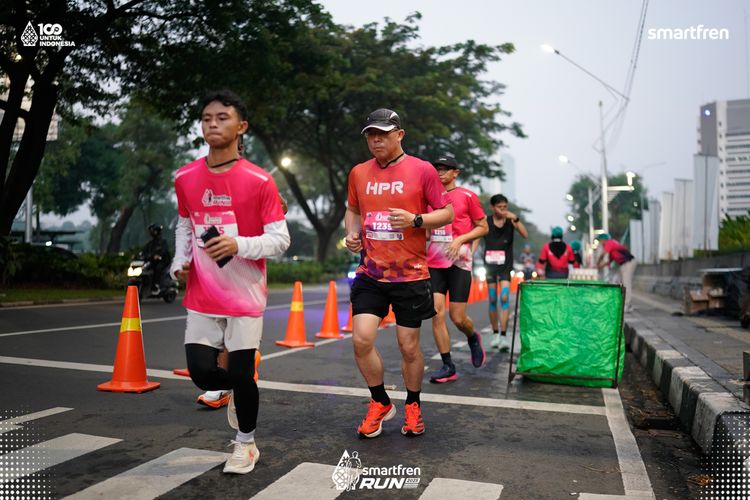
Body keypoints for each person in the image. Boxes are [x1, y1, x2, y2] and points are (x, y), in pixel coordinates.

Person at [170, 90, 290, 474]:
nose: (213, 124)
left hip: (244, 295)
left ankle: (245, 444)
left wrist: (239, 244)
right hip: (202, 293)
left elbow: (280, 240)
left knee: (241, 372)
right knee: (201, 374)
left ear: (242, 127)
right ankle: (237, 385)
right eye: (207, 118)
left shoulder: (259, 180)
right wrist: (180, 261)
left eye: (222, 117)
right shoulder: (185, 177)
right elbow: (185, 224)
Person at [345, 108, 453, 438]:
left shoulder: (422, 170)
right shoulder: (358, 172)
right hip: (371, 273)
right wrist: (351, 233)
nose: (375, 140)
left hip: (411, 275)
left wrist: (415, 220)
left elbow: (447, 212)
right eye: (370, 135)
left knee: (408, 347)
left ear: (399, 134)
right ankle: (380, 402)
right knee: (361, 339)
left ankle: (413, 404)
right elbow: (352, 209)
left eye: (382, 134)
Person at [426, 154, 489, 383]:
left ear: (456, 173)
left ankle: (472, 337)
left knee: (458, 317)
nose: (440, 172)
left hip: (460, 263)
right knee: (436, 313)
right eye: (437, 169)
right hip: (434, 262)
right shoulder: (429, 198)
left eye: (445, 169)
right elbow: (426, 230)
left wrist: (460, 240)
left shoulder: (467, 196)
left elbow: (483, 227)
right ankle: (448, 366)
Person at [482, 194, 527, 351]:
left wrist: (515, 218)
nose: (503, 210)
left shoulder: (511, 221)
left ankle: (503, 336)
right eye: (500, 207)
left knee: (505, 297)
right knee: (492, 299)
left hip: (505, 266)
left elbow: (525, 234)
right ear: (492, 208)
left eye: (505, 207)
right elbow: (476, 236)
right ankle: (495, 334)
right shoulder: (486, 221)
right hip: (490, 266)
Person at [595, 233, 637, 312]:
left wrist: (597, 263)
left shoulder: (610, 242)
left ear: (603, 240)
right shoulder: (612, 248)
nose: (600, 243)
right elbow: (608, 262)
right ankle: (624, 303)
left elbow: (603, 254)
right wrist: (597, 267)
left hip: (628, 263)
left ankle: (627, 305)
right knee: (618, 282)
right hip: (623, 264)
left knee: (626, 283)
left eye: (600, 241)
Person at [142, 223, 172, 290]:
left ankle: (157, 285)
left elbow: (164, 251)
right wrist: (138, 255)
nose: (152, 232)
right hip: (152, 262)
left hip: (163, 262)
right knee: (145, 268)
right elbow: (144, 251)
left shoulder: (163, 242)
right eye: (151, 231)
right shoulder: (150, 243)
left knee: (158, 269)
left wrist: (158, 256)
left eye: (153, 231)